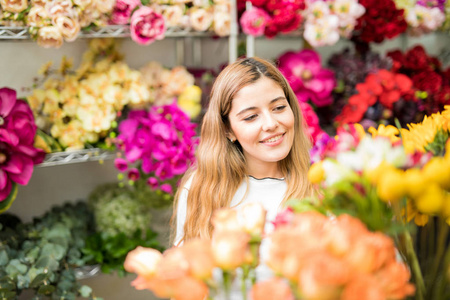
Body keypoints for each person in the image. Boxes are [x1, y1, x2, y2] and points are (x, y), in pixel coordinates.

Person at [172, 56, 313, 247]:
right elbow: (184, 269)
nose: (271, 124)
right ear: (228, 129)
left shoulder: (319, 187)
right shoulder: (200, 189)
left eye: (279, 107)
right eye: (251, 117)